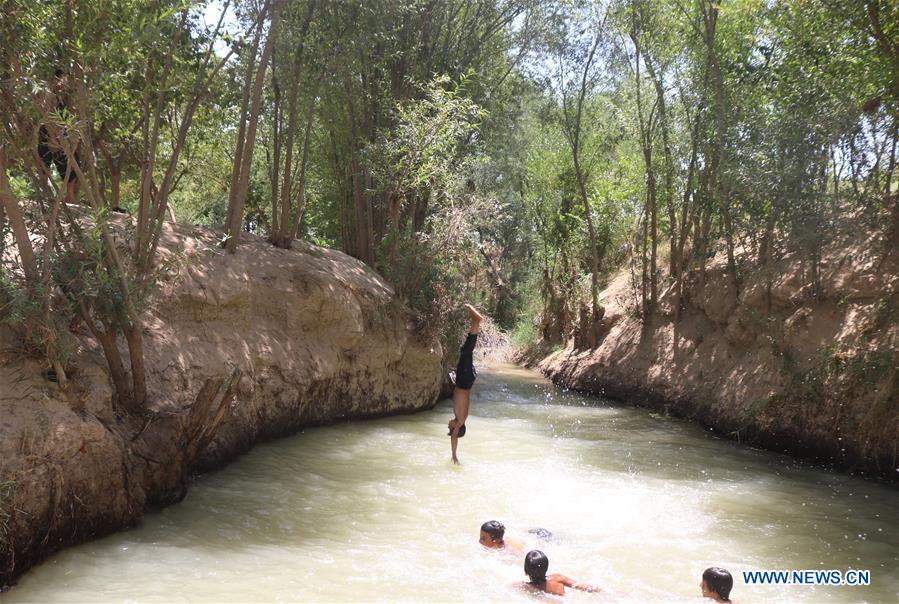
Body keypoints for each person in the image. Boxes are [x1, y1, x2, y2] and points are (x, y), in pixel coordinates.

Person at [447, 304, 483, 464]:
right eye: (450, 428)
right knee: (466, 351)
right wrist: (454, 455)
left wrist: (454, 381)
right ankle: (476, 321)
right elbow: (454, 437)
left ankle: (475, 322)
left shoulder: (459, 415)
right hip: (465, 380)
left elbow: (458, 396)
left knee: (465, 351)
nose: (449, 426)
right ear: (456, 428)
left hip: (464, 380)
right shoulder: (461, 419)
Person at [37, 68, 79, 204]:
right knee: (45, 163)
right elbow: (47, 115)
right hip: (48, 132)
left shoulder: (63, 96)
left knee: (73, 163)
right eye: (63, 79)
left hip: (61, 133)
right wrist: (52, 135)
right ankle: (44, 194)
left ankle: (70, 196)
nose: (65, 83)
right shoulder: (49, 95)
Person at [522, 550, 601, 596]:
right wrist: (599, 590)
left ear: (526, 570)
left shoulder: (526, 587)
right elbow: (581, 586)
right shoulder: (557, 578)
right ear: (546, 568)